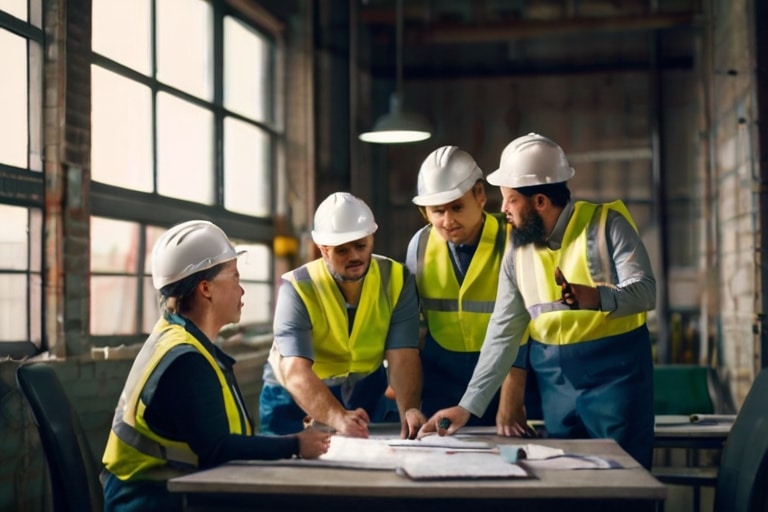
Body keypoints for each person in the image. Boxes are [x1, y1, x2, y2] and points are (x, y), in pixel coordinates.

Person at [418, 133, 657, 469]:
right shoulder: (517, 250)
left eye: (510, 200)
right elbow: (502, 332)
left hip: (615, 379)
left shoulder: (608, 225)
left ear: (540, 201)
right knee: (566, 480)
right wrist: (467, 406)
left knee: (625, 482)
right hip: (555, 384)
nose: (502, 210)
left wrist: (596, 296)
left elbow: (646, 291)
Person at [102, 220, 331, 512]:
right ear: (206, 289)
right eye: (235, 277)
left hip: (171, 493)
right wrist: (296, 445)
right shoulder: (185, 360)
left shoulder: (182, 340)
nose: (242, 290)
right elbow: (218, 450)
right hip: (153, 501)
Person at [259, 192, 426, 439]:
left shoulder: (397, 280)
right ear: (324, 250)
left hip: (364, 388)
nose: (355, 257)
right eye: (342, 250)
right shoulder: (298, 288)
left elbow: (403, 357)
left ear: (372, 238)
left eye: (361, 246)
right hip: (295, 393)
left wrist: (409, 410)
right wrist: (337, 417)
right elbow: (296, 371)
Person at [405, 145, 538, 435]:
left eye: (456, 207)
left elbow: (524, 322)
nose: (448, 221)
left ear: (480, 195)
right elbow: (410, 327)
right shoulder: (420, 246)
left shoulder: (514, 237)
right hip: (442, 381)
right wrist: (409, 402)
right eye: (437, 211)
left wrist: (512, 395)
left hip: (511, 378)